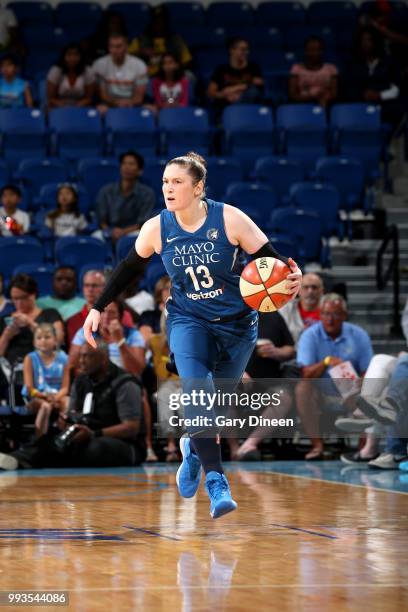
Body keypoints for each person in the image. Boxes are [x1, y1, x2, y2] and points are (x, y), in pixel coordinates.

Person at [83, 151, 302, 519]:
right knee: (197, 389)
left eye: (177, 182)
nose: (168, 188)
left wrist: (290, 278)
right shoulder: (157, 227)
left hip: (237, 324)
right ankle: (217, 480)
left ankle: (190, 446)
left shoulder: (229, 218)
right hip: (188, 320)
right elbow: (127, 270)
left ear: (198, 187)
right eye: (166, 181)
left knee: (213, 410)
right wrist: (97, 306)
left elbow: (274, 262)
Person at [0, 340, 146, 470]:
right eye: (80, 356)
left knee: (91, 448)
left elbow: (131, 428)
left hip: (125, 444)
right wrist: (67, 421)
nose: (81, 361)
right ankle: (15, 459)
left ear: (103, 359)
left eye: (87, 356)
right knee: (51, 440)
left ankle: (40, 461)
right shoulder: (81, 380)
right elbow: (74, 413)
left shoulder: (125, 383)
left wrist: (94, 433)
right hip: (86, 435)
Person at [295, 293, 373, 460]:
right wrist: (326, 361)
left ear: (344, 315)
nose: (330, 319)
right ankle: (317, 446)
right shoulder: (309, 335)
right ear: (320, 314)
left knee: (370, 387)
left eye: (335, 314)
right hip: (321, 393)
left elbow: (368, 370)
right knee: (302, 388)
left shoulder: (359, 335)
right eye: (325, 314)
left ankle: (364, 448)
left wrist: (361, 382)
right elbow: (306, 373)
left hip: (351, 390)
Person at [232, 311, 296, 460]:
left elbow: (290, 349)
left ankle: (249, 445)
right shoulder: (226, 316)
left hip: (269, 383)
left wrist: (276, 352)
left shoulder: (273, 316)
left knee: (283, 398)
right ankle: (234, 448)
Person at [0, 274, 64, 366]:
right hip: (11, 369)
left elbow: (58, 342)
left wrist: (31, 324)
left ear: (33, 294)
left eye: (23, 297)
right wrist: (6, 336)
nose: (19, 303)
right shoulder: (5, 319)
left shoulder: (50, 314)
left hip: (43, 366)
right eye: (15, 299)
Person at [69, 300, 145, 376]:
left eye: (112, 313)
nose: (106, 316)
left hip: (123, 382)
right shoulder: (85, 332)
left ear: (120, 316)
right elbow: (71, 365)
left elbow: (137, 371)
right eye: (103, 311)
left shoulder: (133, 335)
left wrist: (120, 341)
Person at [345, 27, 402, 127]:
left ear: (376, 41)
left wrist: (380, 95)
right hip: (359, 106)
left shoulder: (389, 63)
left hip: (387, 107)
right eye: (363, 40)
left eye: (369, 40)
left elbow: (397, 89)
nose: (366, 43)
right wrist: (363, 94)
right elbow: (348, 89)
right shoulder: (353, 64)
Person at [96, 151, 155, 242]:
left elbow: (143, 222)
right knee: (96, 237)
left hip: (133, 231)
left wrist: (123, 232)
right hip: (110, 230)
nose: (127, 167)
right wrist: (111, 231)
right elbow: (102, 220)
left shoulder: (147, 193)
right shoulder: (106, 191)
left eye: (131, 164)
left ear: (140, 171)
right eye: (124, 163)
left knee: (143, 238)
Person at [22, 323, 69, 437]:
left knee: (68, 402)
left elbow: (65, 388)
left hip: (57, 396)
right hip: (36, 397)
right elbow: (29, 388)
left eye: (47, 337)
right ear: (34, 342)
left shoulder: (64, 358)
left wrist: (55, 398)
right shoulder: (30, 358)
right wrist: (44, 397)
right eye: (39, 337)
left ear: (55, 340)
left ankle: (65, 436)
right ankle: (39, 441)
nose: (43, 341)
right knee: (45, 406)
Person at [128, 5, 192, 78]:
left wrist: (174, 65)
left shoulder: (176, 39)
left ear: (167, 22)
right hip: (148, 75)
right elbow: (127, 58)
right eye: (156, 21)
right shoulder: (141, 39)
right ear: (151, 22)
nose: (160, 24)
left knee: (189, 75)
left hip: (171, 75)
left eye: (162, 21)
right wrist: (141, 52)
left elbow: (187, 61)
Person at [93, 33, 148, 114]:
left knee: (150, 110)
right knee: (99, 110)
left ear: (126, 46)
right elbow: (103, 95)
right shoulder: (99, 64)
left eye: (118, 46)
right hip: (109, 105)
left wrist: (129, 103)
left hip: (132, 104)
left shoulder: (139, 65)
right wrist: (117, 103)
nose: (114, 50)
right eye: (111, 46)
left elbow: (139, 97)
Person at [207, 38, 264, 116]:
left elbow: (259, 83)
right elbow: (211, 92)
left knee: (253, 92)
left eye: (247, 50)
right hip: (225, 104)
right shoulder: (221, 69)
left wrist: (235, 89)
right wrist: (224, 95)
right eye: (242, 49)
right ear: (231, 50)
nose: (246, 52)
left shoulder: (253, 67)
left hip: (247, 104)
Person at [289, 37, 338, 107]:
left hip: (327, 105)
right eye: (311, 49)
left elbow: (334, 94)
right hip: (302, 105)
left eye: (318, 49)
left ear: (322, 51)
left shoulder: (331, 69)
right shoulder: (296, 68)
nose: (315, 53)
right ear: (305, 51)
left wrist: (325, 99)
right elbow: (293, 95)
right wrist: (314, 98)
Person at [279, 273, 324, 345]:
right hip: (291, 354)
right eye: (306, 287)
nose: (310, 291)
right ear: (298, 290)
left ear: (322, 291)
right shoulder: (285, 309)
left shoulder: (329, 309)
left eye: (314, 287)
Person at [46, 44, 95, 109]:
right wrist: (65, 107)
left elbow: (89, 98)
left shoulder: (88, 71)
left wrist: (76, 106)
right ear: (64, 56)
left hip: (81, 106)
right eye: (69, 55)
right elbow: (51, 99)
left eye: (76, 55)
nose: (72, 58)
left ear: (81, 56)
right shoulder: (55, 71)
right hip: (59, 105)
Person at [65, 270, 106, 346]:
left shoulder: (114, 315)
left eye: (94, 285)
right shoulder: (72, 321)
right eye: (86, 285)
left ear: (104, 288)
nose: (90, 290)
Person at [138, 275, 171, 344]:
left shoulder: (184, 313)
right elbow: (146, 338)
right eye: (167, 288)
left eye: (175, 289)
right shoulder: (148, 315)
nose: (172, 292)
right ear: (159, 293)